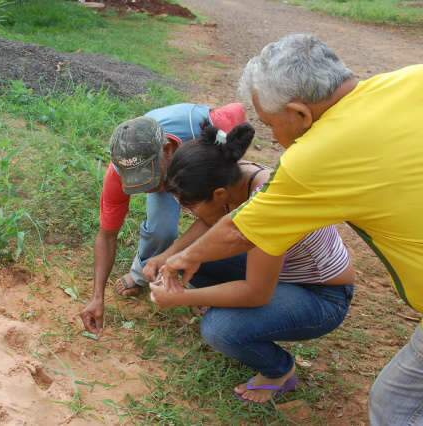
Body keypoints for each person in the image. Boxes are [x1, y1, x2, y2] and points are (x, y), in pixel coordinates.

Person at [157, 34, 423, 424]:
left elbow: (239, 237)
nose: (274, 139)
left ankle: (277, 370)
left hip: (323, 296)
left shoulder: (310, 161)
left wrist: (176, 284)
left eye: (269, 124)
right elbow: (222, 226)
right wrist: (177, 257)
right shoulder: (410, 79)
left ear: (300, 113)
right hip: (300, 278)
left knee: (396, 406)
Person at [148, 120, 354, 403]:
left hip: (322, 296)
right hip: (281, 272)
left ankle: (279, 371)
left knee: (219, 329)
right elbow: (214, 224)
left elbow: (256, 292)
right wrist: (168, 256)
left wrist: (181, 297)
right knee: (193, 260)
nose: (188, 212)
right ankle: (233, 313)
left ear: (218, 194)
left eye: (190, 205)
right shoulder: (232, 176)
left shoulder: (268, 206)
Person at [79, 102, 246, 335]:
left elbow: (220, 214)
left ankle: (209, 288)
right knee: (162, 230)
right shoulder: (118, 172)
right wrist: (97, 297)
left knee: (218, 216)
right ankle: (143, 274)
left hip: (192, 163)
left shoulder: (206, 131)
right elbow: (107, 235)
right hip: (172, 168)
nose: (149, 190)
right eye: (138, 184)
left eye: (151, 180)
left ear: (168, 149)